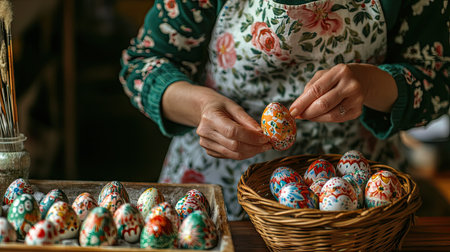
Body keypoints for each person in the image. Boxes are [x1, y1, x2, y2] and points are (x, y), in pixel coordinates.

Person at [120, 0, 450, 220]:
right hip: (219, 185)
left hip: (356, 204)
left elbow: (438, 76)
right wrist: (201, 108)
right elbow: (143, 65)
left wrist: (372, 85)